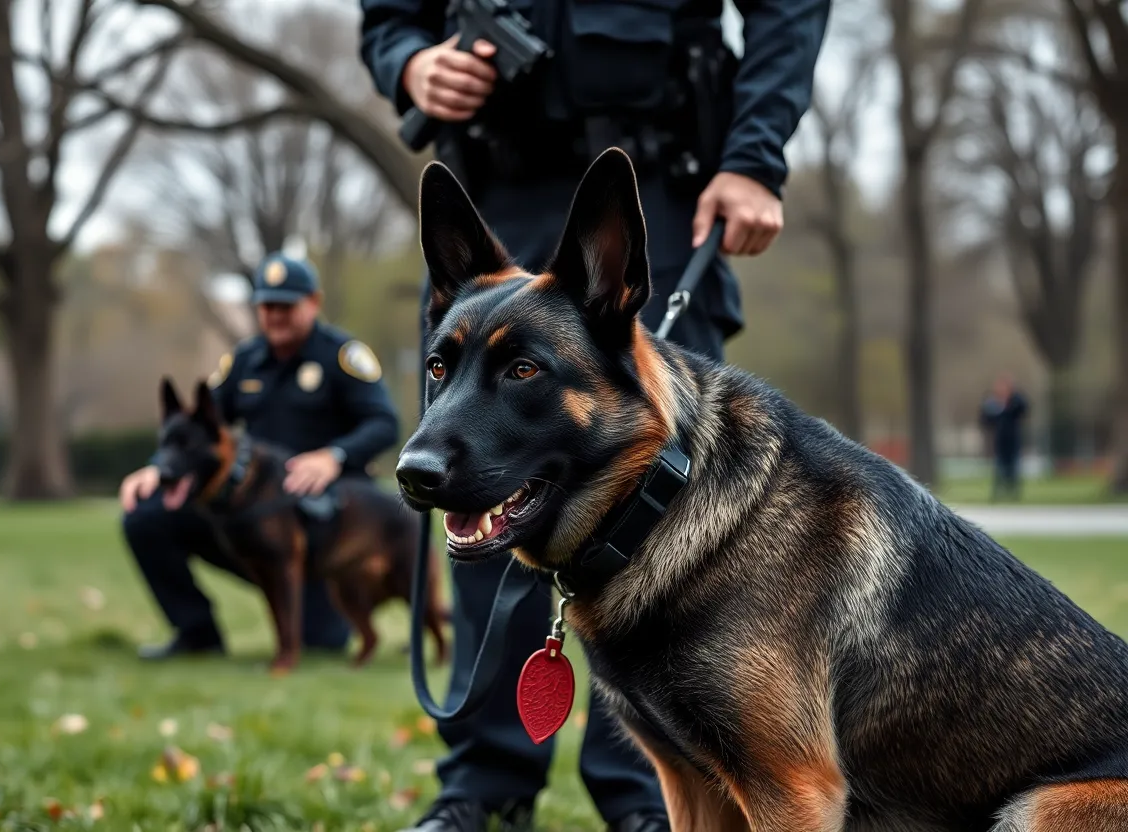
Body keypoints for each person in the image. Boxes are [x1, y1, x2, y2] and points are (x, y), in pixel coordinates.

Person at [359, 0, 829, 827]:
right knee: (476, 487)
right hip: (493, 192)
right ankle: (484, 786)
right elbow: (389, 15)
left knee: (677, 524)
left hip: (665, 189)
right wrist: (408, 62)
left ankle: (654, 799)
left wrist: (755, 157)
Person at [119, 252, 400, 660]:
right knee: (146, 517)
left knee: (320, 643)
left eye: (287, 305)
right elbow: (194, 427)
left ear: (314, 303)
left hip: (325, 524)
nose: (275, 315)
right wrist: (157, 469)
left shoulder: (341, 356)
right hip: (254, 518)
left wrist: (333, 456)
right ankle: (198, 634)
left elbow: (384, 423)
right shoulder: (245, 361)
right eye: (267, 306)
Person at [980, 374, 1029, 502]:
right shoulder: (993, 403)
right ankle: (998, 494)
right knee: (999, 469)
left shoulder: (1015, 401)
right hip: (1000, 441)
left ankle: (1013, 494)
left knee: (1014, 469)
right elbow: (985, 419)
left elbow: (1023, 409)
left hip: (1013, 440)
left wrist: (1012, 399)